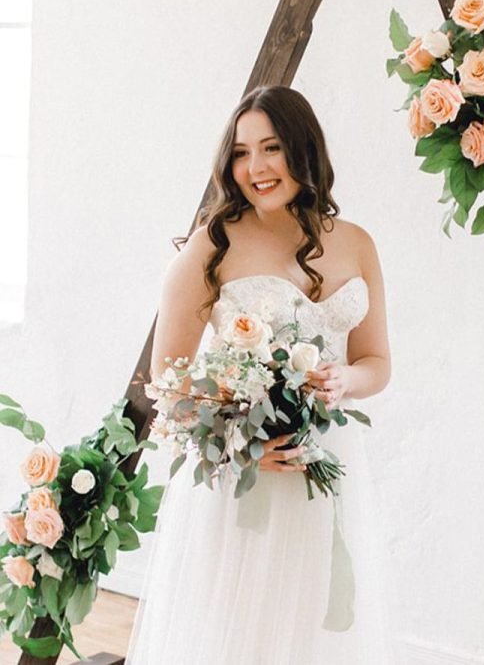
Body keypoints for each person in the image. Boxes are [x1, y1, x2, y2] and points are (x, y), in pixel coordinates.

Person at [126, 85, 393, 664]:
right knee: (239, 634)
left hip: (328, 466)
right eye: (242, 153)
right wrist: (238, 449)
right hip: (245, 478)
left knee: (313, 630)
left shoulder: (357, 244)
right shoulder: (210, 248)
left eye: (270, 148)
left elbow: (377, 364)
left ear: (303, 149)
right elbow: (164, 389)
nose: (256, 168)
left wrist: (345, 380)